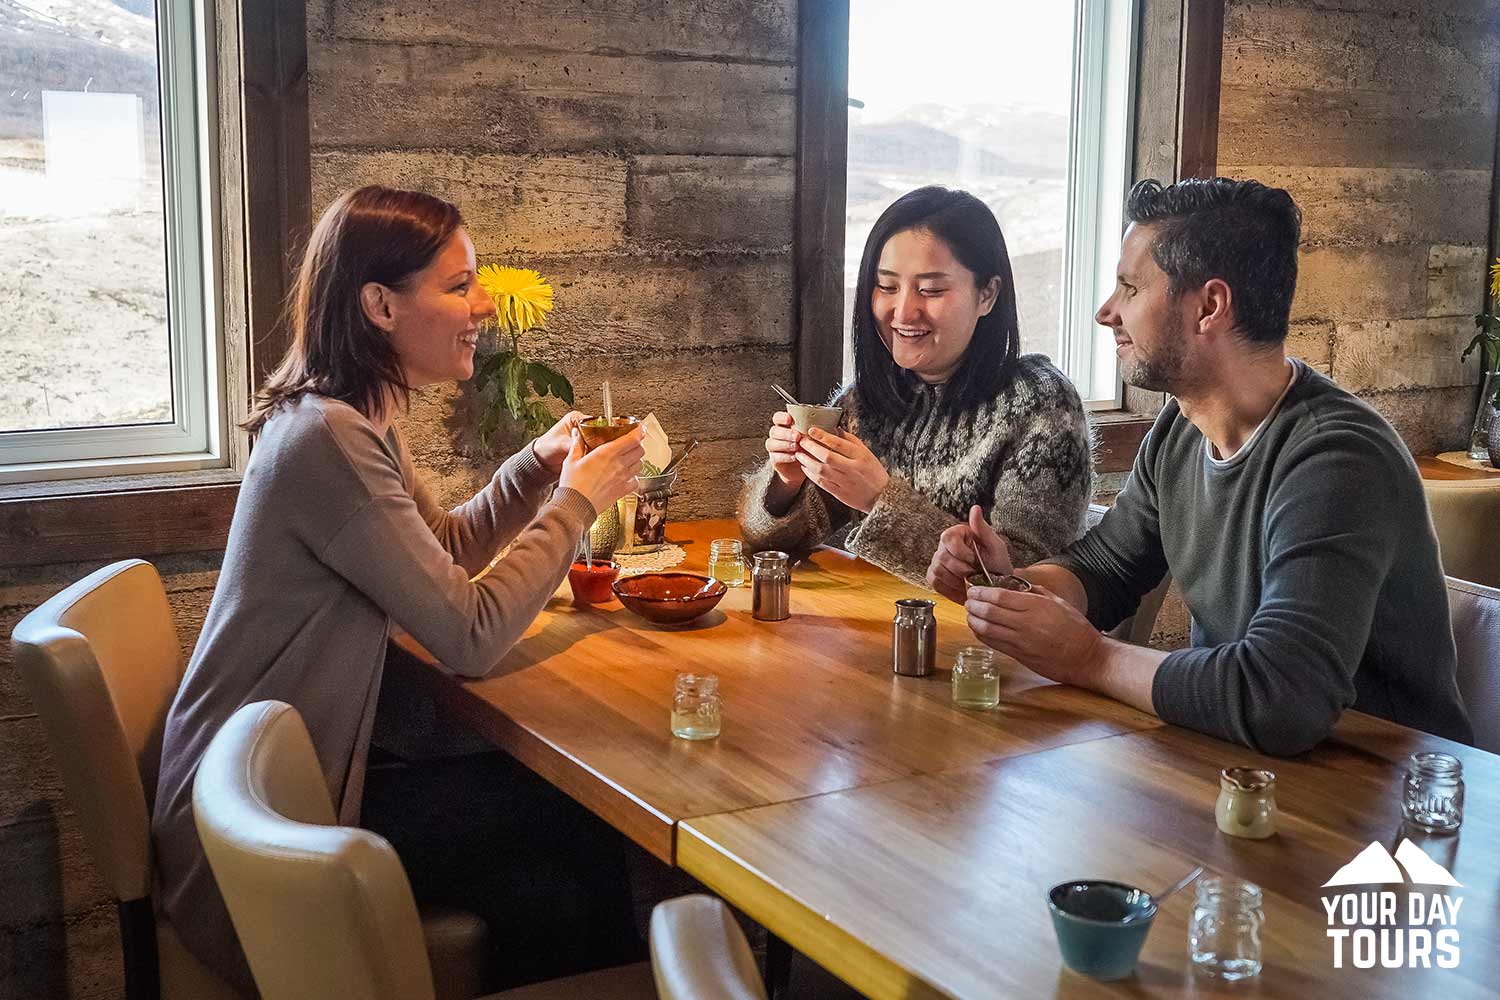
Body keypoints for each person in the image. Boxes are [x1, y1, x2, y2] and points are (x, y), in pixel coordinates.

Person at [151, 186, 647, 991]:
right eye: (459, 286)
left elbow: (444, 548)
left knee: (551, 882)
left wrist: (537, 467)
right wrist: (580, 500)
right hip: (262, 836)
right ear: (381, 305)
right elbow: (472, 636)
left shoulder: (349, 416)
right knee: (577, 827)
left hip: (283, 790)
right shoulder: (328, 439)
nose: (483, 306)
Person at [929, 177, 1473, 756]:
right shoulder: (1180, 428)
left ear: (1209, 306)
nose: (1105, 312)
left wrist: (1090, 657)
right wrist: (1011, 587)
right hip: (1246, 761)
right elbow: (1108, 568)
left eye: (1130, 288)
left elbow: (1282, 698)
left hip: (1392, 798)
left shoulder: (1338, 460)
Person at [738, 186, 1092, 584]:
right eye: (887, 286)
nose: (903, 311)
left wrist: (879, 499)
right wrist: (787, 482)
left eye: (931, 290)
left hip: (975, 645)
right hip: (874, 631)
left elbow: (1021, 582)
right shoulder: (865, 403)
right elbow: (767, 545)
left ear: (987, 295)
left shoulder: (1041, 405)